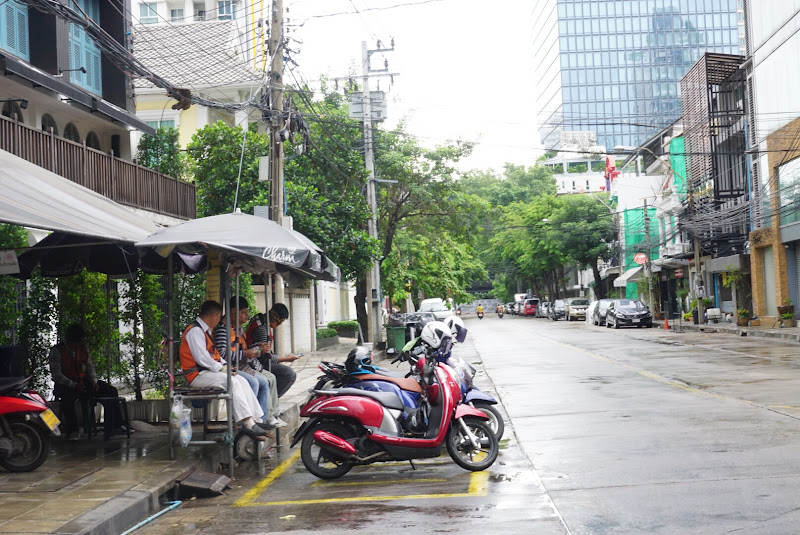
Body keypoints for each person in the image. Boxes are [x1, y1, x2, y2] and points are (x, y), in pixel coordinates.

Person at [180, 300, 271, 440]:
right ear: (213, 315)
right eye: (218, 317)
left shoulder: (203, 331)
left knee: (241, 380)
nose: (218, 320)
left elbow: (214, 355)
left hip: (207, 372)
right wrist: (222, 369)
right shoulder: (195, 331)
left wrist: (226, 366)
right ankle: (247, 423)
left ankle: (257, 419)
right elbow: (202, 358)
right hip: (197, 375)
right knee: (232, 382)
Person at [214, 297, 286, 429]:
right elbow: (222, 355)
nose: (247, 316)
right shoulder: (222, 329)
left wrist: (254, 351)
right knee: (254, 382)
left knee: (265, 381)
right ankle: (249, 422)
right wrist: (245, 354)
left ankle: (261, 419)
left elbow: (244, 349)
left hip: (243, 364)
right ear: (234, 311)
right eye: (244, 313)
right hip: (230, 367)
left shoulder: (237, 329)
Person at [49, 324, 122, 440]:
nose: (77, 345)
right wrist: (74, 385)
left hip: (83, 381)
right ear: (68, 340)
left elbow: (90, 366)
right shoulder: (57, 351)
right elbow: (57, 375)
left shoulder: (83, 349)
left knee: (111, 391)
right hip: (66, 384)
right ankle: (73, 430)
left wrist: (94, 381)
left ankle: (115, 426)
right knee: (67, 399)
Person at [245, 303, 299, 397]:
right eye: (279, 322)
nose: (279, 324)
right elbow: (266, 356)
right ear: (275, 317)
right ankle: (270, 400)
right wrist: (287, 358)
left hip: (258, 360)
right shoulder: (261, 329)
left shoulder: (260, 320)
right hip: (256, 363)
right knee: (289, 374)